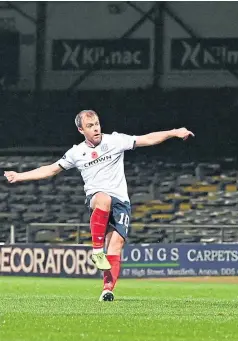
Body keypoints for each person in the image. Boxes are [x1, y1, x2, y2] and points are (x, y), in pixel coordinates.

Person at [3, 110, 194, 301]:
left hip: (121, 201)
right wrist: (19, 176)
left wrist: (174, 132)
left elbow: (148, 139)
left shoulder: (115, 141)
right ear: (80, 130)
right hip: (97, 197)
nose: (95, 128)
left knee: (116, 245)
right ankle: (96, 251)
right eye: (90, 126)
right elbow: (51, 169)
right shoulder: (76, 153)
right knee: (104, 199)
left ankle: (107, 290)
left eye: (97, 124)